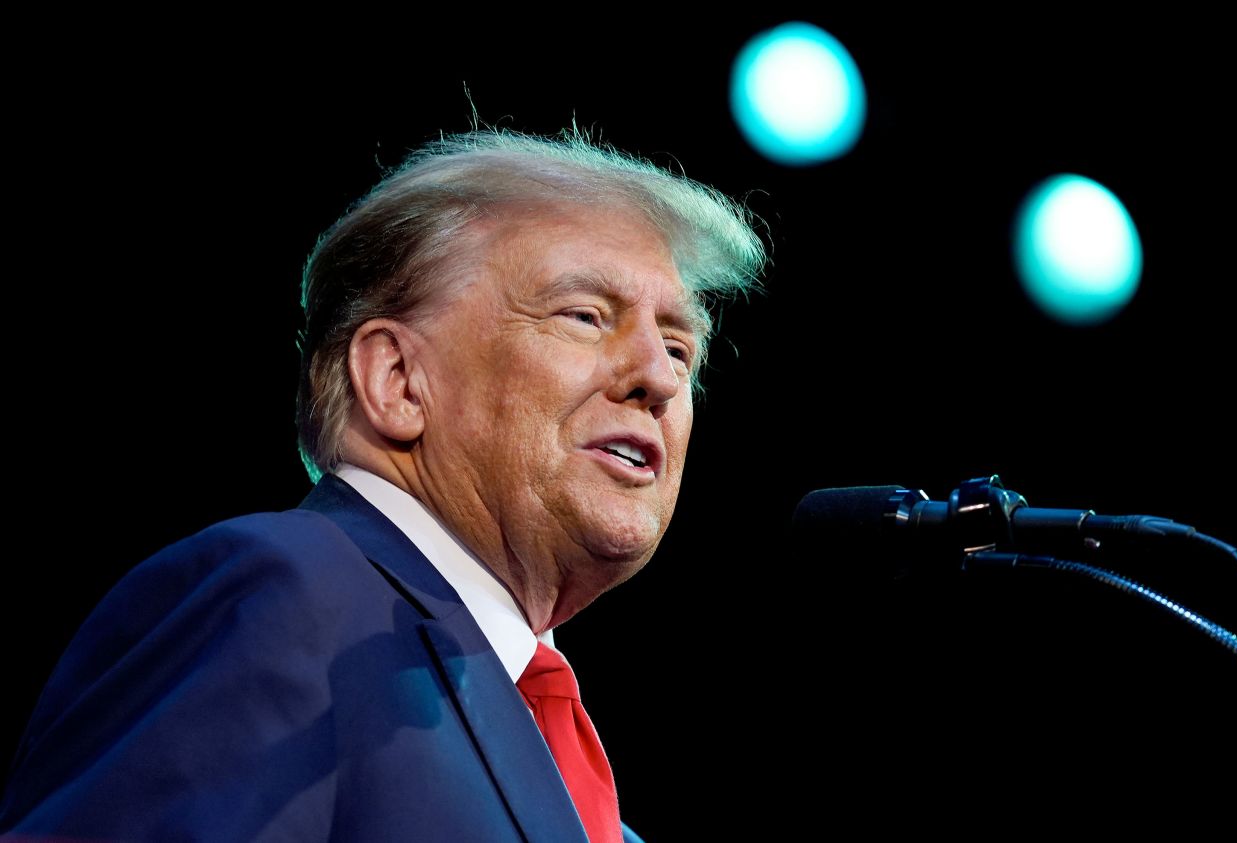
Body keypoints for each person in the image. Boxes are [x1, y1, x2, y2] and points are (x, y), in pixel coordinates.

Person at [0, 127, 765, 841]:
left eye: (679, 346)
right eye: (585, 315)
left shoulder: (570, 776)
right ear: (397, 380)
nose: (660, 378)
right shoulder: (286, 593)